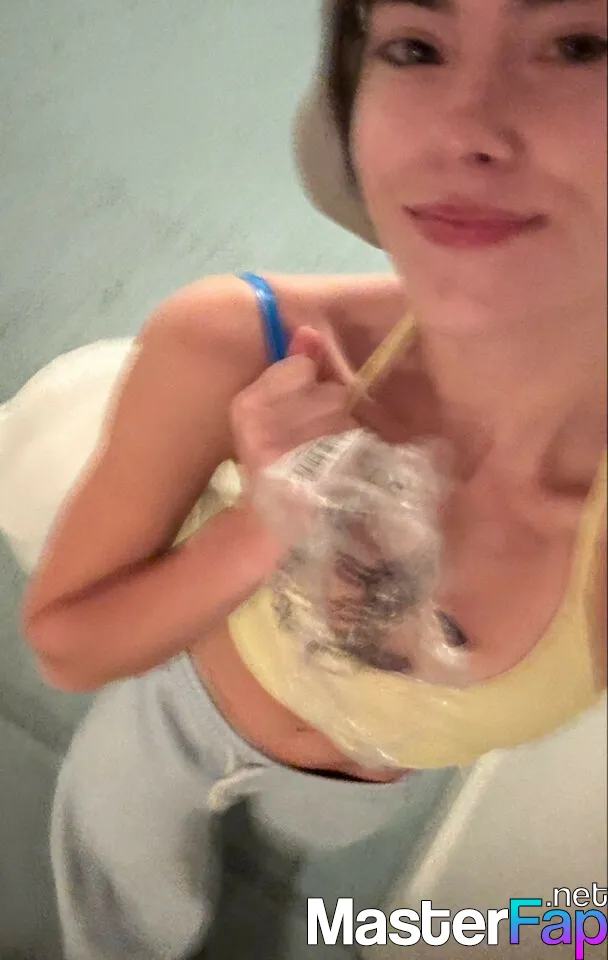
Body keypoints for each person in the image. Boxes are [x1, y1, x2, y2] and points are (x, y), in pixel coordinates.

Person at [3, 0, 606, 956]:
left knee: (299, 854)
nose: (465, 126)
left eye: (578, 46)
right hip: (181, 715)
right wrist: (264, 522)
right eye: (416, 46)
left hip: (371, 784)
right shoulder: (237, 342)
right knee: (117, 897)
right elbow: (69, 650)